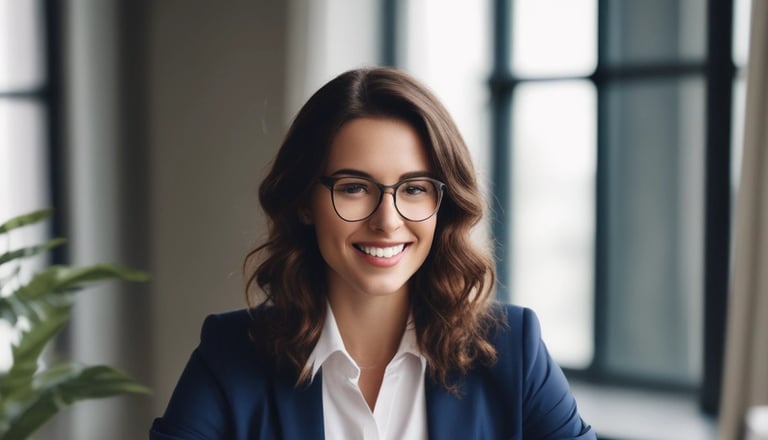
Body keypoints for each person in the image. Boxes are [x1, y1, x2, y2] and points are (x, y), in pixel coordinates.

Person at [150, 67, 595, 439]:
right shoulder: (231, 356)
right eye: (354, 188)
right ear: (305, 201)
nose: (387, 220)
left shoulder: (513, 350)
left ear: (444, 205)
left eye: (415, 188)